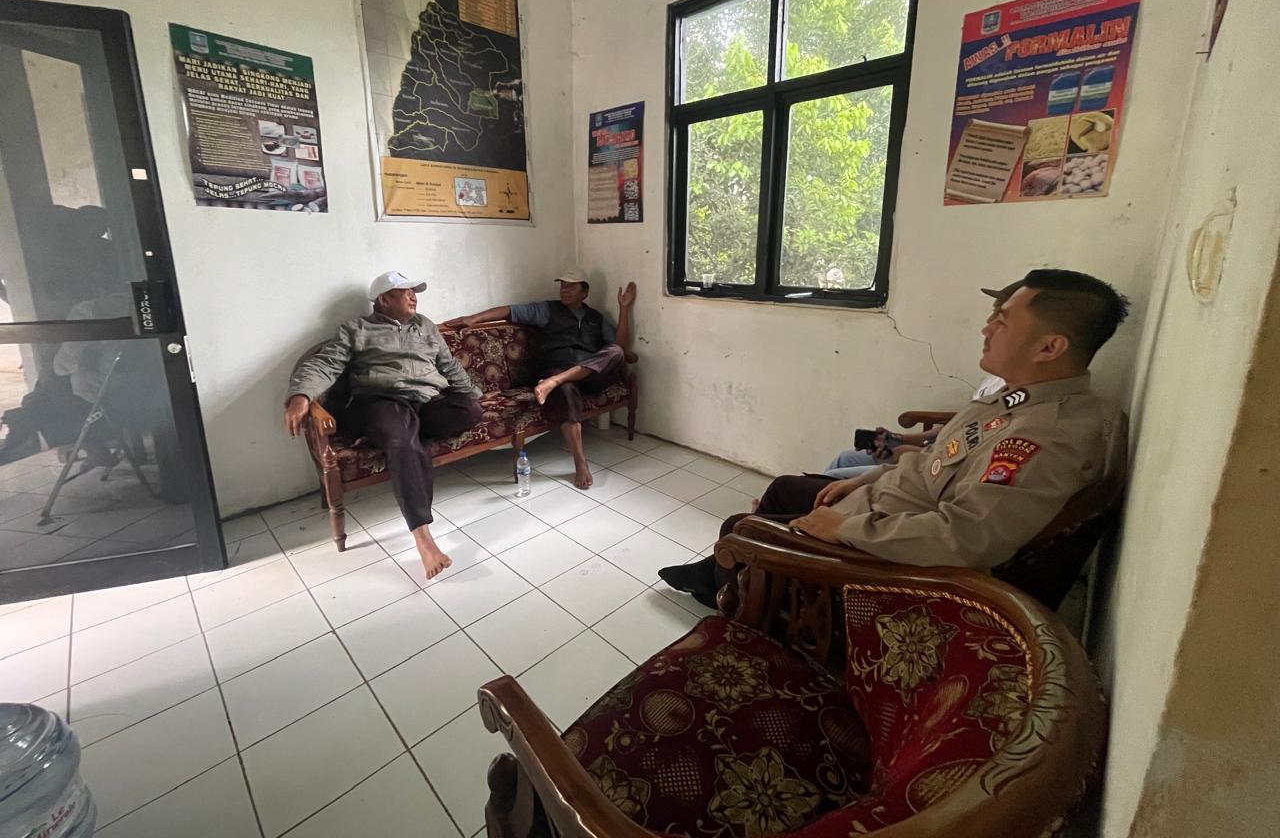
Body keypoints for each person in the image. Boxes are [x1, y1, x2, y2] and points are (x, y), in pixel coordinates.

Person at [660, 268, 1128, 608]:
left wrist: (842, 528)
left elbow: (963, 539)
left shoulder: (1044, 438)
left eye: (1002, 320)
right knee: (785, 488)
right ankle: (728, 576)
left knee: (742, 527)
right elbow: (939, 460)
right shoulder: (1014, 400)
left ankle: (739, 591)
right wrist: (868, 478)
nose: (986, 328)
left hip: (886, 544)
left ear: (1050, 347)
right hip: (882, 502)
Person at [284, 271, 482, 579]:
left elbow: (450, 365)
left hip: (426, 401)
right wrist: (300, 395)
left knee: (469, 411)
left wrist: (473, 395)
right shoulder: (356, 329)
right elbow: (324, 364)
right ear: (384, 299)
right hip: (382, 400)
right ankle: (423, 538)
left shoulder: (425, 326)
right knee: (403, 440)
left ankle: (392, 434)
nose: (414, 296)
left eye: (415, 291)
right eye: (406, 292)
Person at [445, 267, 636, 490]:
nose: (564, 290)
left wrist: (624, 309)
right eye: (562, 285)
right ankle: (580, 461)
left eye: (571, 286)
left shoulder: (595, 317)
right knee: (566, 389)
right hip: (556, 368)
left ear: (584, 292)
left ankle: (555, 382)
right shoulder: (547, 310)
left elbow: (620, 345)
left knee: (615, 351)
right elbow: (510, 311)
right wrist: (474, 318)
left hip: (588, 375)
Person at [819, 282, 1021, 478]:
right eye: (993, 313)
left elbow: (973, 460)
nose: (987, 326)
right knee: (844, 460)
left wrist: (912, 454)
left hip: (940, 469)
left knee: (829, 480)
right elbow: (962, 427)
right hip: (934, 453)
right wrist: (901, 440)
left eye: (1001, 318)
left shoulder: (1019, 401)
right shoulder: (996, 378)